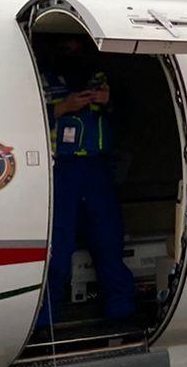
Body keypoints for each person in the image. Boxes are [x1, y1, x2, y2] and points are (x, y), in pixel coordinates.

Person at [36, 34, 135, 330]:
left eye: (77, 48)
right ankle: (44, 322)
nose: (72, 52)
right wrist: (63, 107)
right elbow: (24, 118)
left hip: (96, 169)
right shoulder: (41, 79)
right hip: (59, 170)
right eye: (66, 47)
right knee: (57, 248)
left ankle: (122, 314)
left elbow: (127, 116)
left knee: (109, 242)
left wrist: (108, 101)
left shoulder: (98, 78)